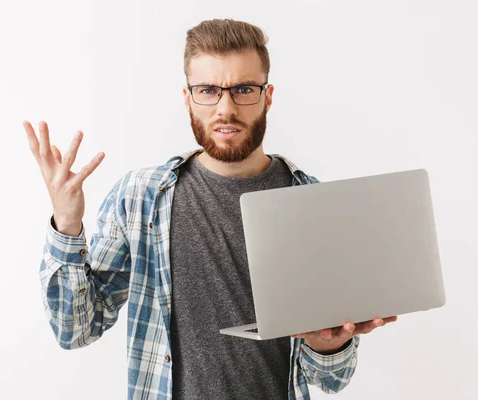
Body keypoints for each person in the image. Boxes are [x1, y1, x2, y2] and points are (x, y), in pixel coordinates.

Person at [24, 18, 397, 400]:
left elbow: (331, 379)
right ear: (188, 98)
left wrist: (327, 344)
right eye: (208, 90)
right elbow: (75, 329)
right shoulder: (140, 197)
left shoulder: (311, 203)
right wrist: (66, 225)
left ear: (267, 96)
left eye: (243, 89)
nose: (226, 108)